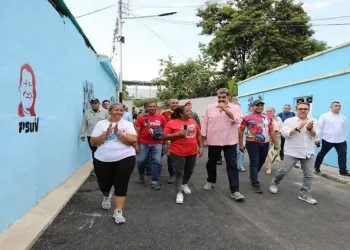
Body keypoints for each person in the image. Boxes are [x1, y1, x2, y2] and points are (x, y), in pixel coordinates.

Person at [90, 103, 137, 224]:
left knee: (121, 183)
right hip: (102, 159)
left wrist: (120, 134)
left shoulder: (127, 124)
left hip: (125, 157)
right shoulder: (101, 124)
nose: (119, 112)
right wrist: (105, 134)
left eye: (121, 110)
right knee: (104, 184)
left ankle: (118, 211)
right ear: (110, 111)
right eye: (116, 110)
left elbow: (133, 140)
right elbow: (93, 143)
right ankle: (106, 196)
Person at [269, 102, 319, 204]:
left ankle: (304, 194)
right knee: (284, 170)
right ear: (296, 110)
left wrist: (310, 129)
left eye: (305, 109)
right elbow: (285, 134)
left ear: (308, 111)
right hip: (292, 151)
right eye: (300, 108)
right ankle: (275, 182)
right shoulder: (289, 121)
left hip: (308, 151)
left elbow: (316, 135)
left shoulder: (314, 121)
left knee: (309, 174)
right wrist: (298, 128)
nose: (303, 110)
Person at [202, 88, 245, 201]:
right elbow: (205, 123)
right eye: (219, 97)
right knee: (211, 163)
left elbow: (237, 121)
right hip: (214, 141)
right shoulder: (209, 108)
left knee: (232, 165)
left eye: (223, 97)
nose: (221, 99)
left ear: (228, 97)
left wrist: (225, 109)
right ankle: (211, 181)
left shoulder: (235, 108)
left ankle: (235, 190)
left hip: (229, 141)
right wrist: (204, 139)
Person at [164, 105, 203, 204]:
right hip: (178, 152)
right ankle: (179, 193)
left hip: (192, 152)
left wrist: (201, 147)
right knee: (179, 173)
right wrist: (178, 134)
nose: (190, 112)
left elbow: (198, 135)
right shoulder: (171, 123)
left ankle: (185, 184)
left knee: (189, 170)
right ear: (181, 113)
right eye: (187, 111)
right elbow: (164, 136)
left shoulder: (193, 122)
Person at [239, 100, 278, 193]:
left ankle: (253, 175)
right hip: (252, 143)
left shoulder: (267, 117)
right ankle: (255, 183)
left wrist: (276, 142)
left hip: (265, 143)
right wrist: (241, 144)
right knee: (254, 162)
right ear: (252, 107)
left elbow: (271, 130)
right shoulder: (247, 117)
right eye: (257, 105)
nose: (260, 107)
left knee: (261, 161)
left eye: (261, 105)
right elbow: (241, 130)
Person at [135, 101, 167, 190]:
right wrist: (136, 144)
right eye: (150, 106)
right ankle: (141, 176)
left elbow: (165, 132)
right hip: (144, 143)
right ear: (147, 108)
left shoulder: (161, 118)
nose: (152, 108)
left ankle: (155, 181)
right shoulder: (142, 118)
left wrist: (165, 144)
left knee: (157, 162)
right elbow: (137, 132)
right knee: (141, 161)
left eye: (154, 106)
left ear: (156, 107)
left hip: (157, 143)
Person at [314, 101, 350, 177]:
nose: (338, 107)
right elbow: (319, 127)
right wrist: (317, 138)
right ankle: (316, 166)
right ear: (331, 107)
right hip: (327, 139)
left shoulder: (343, 117)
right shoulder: (324, 116)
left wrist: (345, 138)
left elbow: (344, 129)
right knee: (322, 153)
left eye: (339, 106)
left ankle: (342, 171)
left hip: (341, 140)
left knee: (342, 154)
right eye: (336, 106)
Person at [162, 98, 179, 183]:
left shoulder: (181, 112)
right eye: (173, 103)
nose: (175, 104)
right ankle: (172, 175)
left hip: (180, 140)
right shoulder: (164, 113)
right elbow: (162, 127)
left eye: (176, 103)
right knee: (170, 159)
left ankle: (179, 175)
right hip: (169, 140)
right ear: (169, 104)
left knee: (180, 159)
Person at [264, 107, 283, 174]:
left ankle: (272, 160)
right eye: (267, 111)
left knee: (276, 151)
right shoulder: (264, 119)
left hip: (277, 136)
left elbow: (282, 127)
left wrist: (279, 131)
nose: (269, 112)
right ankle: (268, 167)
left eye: (270, 111)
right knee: (268, 152)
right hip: (267, 137)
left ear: (274, 112)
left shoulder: (278, 119)